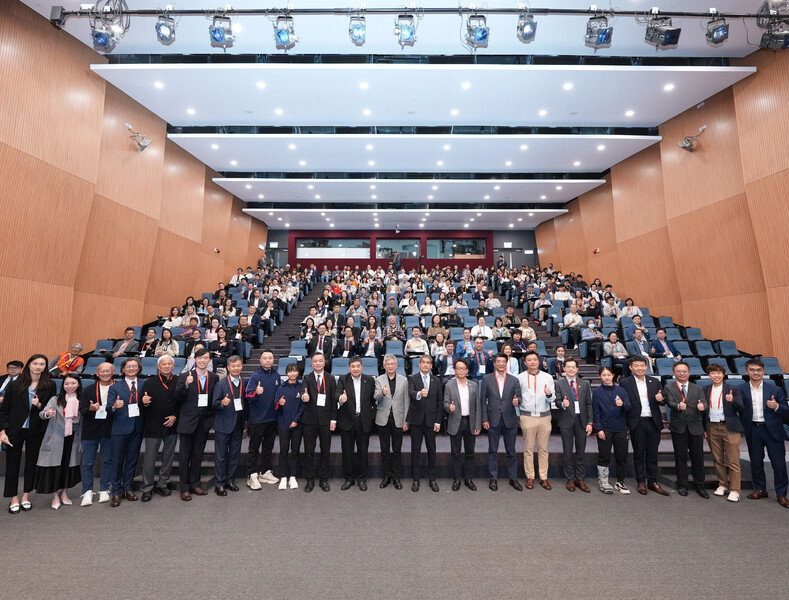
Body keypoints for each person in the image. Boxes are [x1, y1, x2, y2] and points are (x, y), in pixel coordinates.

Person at [0, 354, 54, 513]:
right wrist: (2, 431)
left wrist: (39, 404)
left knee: (31, 465)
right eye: (35, 363)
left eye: (42, 364)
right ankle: (13, 498)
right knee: (12, 464)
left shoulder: (49, 385)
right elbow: (3, 410)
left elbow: (49, 407)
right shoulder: (15, 385)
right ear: (29, 365)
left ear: (45, 367)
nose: (38, 366)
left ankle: (25, 496)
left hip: (36, 431)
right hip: (14, 430)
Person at [739, 358, 788, 508]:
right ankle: (760, 489)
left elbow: (786, 411)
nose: (756, 373)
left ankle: (781, 494)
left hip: (772, 430)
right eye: (752, 370)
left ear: (763, 372)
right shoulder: (740, 389)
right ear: (746, 371)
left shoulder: (775, 390)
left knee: (778, 463)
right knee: (756, 461)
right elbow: (738, 409)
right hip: (753, 429)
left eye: (758, 370)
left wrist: (777, 406)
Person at [619, 357, 669, 496]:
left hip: (653, 421)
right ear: (631, 367)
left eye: (642, 365)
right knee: (639, 453)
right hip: (637, 422)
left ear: (646, 367)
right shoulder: (625, 383)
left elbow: (662, 398)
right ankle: (641, 481)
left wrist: (662, 399)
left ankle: (652, 481)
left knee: (652, 453)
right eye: (637, 366)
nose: (640, 368)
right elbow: (624, 403)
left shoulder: (654, 381)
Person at [175, 348, 218, 501]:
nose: (202, 360)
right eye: (199, 358)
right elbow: (177, 397)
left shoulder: (213, 377)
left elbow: (213, 399)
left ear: (209, 360)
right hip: (187, 422)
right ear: (194, 359)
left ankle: (195, 484)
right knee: (185, 456)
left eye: (205, 358)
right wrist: (185, 385)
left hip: (204, 422)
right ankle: (184, 488)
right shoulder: (185, 376)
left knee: (198, 455)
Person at [35, 374, 83, 510]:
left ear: (78, 384)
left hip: (73, 437)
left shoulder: (82, 399)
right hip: (56, 437)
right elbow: (42, 413)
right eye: (67, 384)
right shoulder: (55, 399)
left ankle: (64, 493)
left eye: (73, 383)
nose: (69, 386)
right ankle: (55, 495)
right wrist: (47, 414)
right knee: (54, 467)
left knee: (68, 466)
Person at [664, 361, 708, 498]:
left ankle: (700, 485)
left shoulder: (697, 388)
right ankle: (683, 485)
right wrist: (678, 406)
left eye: (684, 371)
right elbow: (670, 402)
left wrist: (703, 407)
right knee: (680, 456)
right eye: (678, 371)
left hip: (695, 426)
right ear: (674, 373)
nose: (682, 374)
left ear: (689, 373)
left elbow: (704, 402)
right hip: (679, 427)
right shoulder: (669, 387)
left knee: (698, 457)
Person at [139, 355, 179, 502]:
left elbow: (183, 402)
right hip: (153, 425)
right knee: (149, 458)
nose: (167, 366)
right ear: (158, 367)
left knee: (168, 457)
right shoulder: (149, 383)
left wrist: (175, 416)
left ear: (173, 366)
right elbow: (143, 405)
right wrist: (145, 402)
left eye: (169, 364)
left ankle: (163, 483)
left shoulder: (178, 381)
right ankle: (147, 487)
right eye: (164, 364)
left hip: (171, 424)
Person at [480, 352, 523, 492]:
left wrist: (518, 402)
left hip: (510, 419)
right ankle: (493, 478)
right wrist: (484, 419)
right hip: (493, 419)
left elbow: (519, 398)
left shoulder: (514, 380)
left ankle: (513, 478)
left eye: (503, 362)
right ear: (494, 363)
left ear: (507, 363)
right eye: (498, 361)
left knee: (511, 451)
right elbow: (483, 401)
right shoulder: (486, 379)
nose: (501, 364)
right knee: (492, 450)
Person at [107, 357, 145, 507]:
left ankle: (127, 488)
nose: (131, 368)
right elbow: (109, 408)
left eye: (134, 366)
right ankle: (116, 491)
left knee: (131, 460)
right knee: (117, 461)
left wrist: (148, 402)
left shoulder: (144, 384)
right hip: (119, 428)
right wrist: (115, 406)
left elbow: (148, 404)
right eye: (128, 366)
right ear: (123, 369)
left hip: (137, 428)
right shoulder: (115, 387)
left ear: (138, 368)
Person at [704, 363, 744, 502]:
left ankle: (735, 489)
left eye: (719, 373)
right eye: (713, 373)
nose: (716, 375)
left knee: (733, 461)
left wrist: (733, 401)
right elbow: (703, 411)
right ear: (709, 375)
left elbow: (742, 408)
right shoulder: (705, 389)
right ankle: (722, 484)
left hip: (730, 427)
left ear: (723, 374)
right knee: (717, 459)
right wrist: (704, 428)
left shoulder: (733, 389)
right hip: (712, 426)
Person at [335, 357, 377, 491]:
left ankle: (362, 478)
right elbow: (336, 393)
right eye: (353, 366)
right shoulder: (343, 379)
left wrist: (371, 417)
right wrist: (341, 398)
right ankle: (349, 478)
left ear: (361, 367)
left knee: (362, 451)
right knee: (347, 452)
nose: (355, 368)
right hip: (347, 420)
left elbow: (373, 400)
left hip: (363, 421)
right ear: (349, 368)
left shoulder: (369, 380)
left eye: (358, 366)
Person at [516, 351, 554, 490]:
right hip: (527, 416)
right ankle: (530, 476)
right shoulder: (519, 378)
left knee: (544, 449)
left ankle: (544, 477)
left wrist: (549, 395)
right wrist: (518, 415)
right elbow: (517, 398)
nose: (532, 362)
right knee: (528, 449)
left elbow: (552, 398)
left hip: (545, 416)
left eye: (535, 360)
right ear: (525, 363)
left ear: (539, 362)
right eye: (529, 360)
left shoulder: (548, 377)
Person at [554, 358, 593, 493]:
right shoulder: (559, 384)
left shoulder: (584, 383)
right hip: (566, 421)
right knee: (568, 451)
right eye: (568, 367)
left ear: (577, 369)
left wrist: (590, 422)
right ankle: (570, 478)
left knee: (581, 451)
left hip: (582, 421)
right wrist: (562, 405)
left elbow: (589, 404)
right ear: (564, 369)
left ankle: (580, 479)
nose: (571, 369)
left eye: (573, 367)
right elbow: (557, 401)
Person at [79, 362, 114, 506]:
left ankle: (104, 488)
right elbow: (82, 410)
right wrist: (91, 409)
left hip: (110, 430)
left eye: (107, 371)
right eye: (102, 372)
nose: (105, 374)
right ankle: (87, 491)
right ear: (97, 374)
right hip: (90, 430)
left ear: (113, 372)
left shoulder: (118, 388)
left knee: (107, 461)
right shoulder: (89, 389)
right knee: (87, 462)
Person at [244, 350, 281, 489]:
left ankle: (265, 472)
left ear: (273, 359)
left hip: (272, 418)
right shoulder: (255, 376)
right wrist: (256, 393)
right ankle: (251, 475)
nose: (267, 360)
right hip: (257, 419)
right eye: (265, 358)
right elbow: (248, 396)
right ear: (260, 360)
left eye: (270, 358)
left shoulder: (277, 376)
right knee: (254, 448)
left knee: (268, 448)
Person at [592, 366, 632, 494]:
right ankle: (603, 481)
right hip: (605, 429)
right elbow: (596, 412)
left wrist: (622, 405)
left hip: (620, 428)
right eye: (603, 375)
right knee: (604, 456)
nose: (606, 377)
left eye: (608, 375)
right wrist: (598, 429)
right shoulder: (597, 392)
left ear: (613, 375)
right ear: (600, 377)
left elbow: (629, 407)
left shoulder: (621, 390)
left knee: (621, 456)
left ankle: (620, 481)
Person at [300, 353, 337, 492]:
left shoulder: (331, 378)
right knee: (309, 451)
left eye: (320, 361)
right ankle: (310, 479)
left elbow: (334, 401)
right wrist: (304, 396)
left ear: (324, 362)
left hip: (326, 421)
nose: (318, 363)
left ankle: (323, 479)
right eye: (315, 361)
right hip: (309, 420)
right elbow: (302, 393)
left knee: (325, 451)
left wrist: (333, 419)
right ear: (311, 363)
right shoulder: (307, 378)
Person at [406, 355, 443, 493]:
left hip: (431, 421)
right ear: (419, 364)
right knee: (415, 451)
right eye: (424, 363)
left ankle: (432, 479)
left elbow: (439, 402)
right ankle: (416, 479)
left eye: (428, 363)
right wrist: (419, 393)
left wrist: (438, 421)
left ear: (431, 366)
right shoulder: (413, 378)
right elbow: (410, 393)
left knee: (431, 451)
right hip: (416, 420)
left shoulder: (437, 380)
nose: (426, 365)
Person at [443, 358, 480, 491]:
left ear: (467, 370)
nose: (461, 370)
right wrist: (449, 408)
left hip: (470, 422)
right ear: (455, 370)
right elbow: (445, 403)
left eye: (463, 368)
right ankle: (457, 479)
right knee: (456, 453)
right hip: (455, 422)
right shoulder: (449, 385)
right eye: (458, 368)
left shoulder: (474, 385)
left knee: (470, 453)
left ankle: (469, 479)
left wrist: (477, 425)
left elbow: (477, 407)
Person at [212, 355, 245, 497]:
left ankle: (230, 480)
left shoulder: (244, 382)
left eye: (238, 366)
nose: (236, 368)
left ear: (242, 366)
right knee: (221, 456)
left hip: (238, 424)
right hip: (223, 425)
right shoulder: (221, 384)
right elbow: (214, 403)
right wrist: (221, 403)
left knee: (234, 455)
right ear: (228, 368)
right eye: (233, 366)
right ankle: (219, 483)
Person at [374, 354, 409, 490]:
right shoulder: (379, 379)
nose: (390, 366)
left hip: (398, 419)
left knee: (396, 450)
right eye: (387, 364)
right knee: (384, 450)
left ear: (396, 365)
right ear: (384, 366)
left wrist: (406, 421)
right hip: (383, 419)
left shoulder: (404, 380)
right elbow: (375, 397)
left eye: (392, 364)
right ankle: (386, 475)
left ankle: (396, 476)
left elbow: (406, 401)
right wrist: (382, 393)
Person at [275, 363, 305, 490]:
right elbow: (276, 406)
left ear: (298, 372)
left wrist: (296, 420)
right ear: (286, 373)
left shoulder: (302, 387)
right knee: (283, 450)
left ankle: (293, 476)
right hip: (283, 424)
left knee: (295, 451)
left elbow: (303, 406)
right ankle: (283, 477)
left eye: (295, 371)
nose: (292, 373)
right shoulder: (281, 387)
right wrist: (280, 403)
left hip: (297, 424)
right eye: (290, 371)